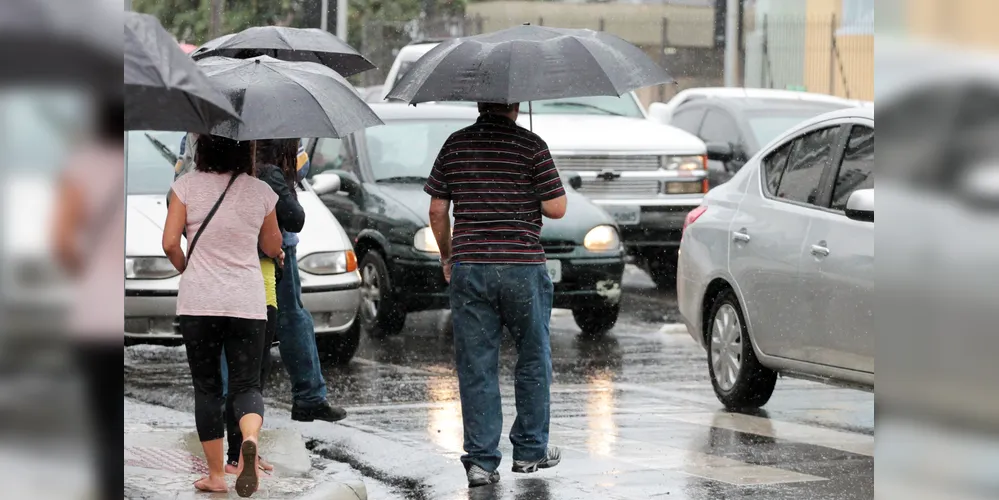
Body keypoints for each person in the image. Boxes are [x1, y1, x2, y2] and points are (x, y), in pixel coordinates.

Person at [424, 102, 568, 488]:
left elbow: (438, 209)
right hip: (523, 267)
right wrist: (522, 190)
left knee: (477, 365)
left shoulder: (455, 145)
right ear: (516, 106)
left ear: (479, 103)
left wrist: (447, 255)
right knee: (534, 358)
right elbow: (557, 207)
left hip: (471, 267)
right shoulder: (532, 146)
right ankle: (530, 450)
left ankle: (482, 462)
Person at [162, 134, 284, 497]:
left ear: (203, 149)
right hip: (246, 302)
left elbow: (170, 242)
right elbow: (273, 245)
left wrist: (187, 266)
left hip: (199, 302)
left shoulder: (183, 187)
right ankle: (248, 439)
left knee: (208, 387)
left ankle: (216, 475)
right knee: (246, 385)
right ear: (243, 151)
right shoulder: (262, 191)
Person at [51, 94, 124, 500]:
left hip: (91, 314)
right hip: (121, 314)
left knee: (99, 417)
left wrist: (87, 270)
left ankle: (106, 483)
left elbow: (60, 243)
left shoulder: (81, 166)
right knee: (118, 411)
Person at [221, 139, 306, 474]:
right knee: (252, 378)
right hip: (260, 289)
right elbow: (292, 222)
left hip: (218, 289)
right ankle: (246, 446)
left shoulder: (212, 180)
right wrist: (287, 185)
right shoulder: (266, 177)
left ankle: (228, 457)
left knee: (224, 379)